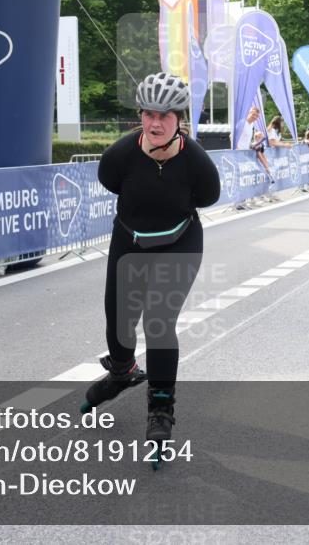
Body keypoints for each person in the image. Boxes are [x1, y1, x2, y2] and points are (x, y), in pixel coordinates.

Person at [87, 72, 221, 444]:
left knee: (158, 322)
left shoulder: (197, 164)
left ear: (180, 120)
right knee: (118, 321)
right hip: (130, 240)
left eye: (164, 115)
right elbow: (111, 183)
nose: (155, 123)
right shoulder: (119, 156)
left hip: (179, 241)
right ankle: (122, 368)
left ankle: (161, 407)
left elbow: (207, 197)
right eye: (148, 114)